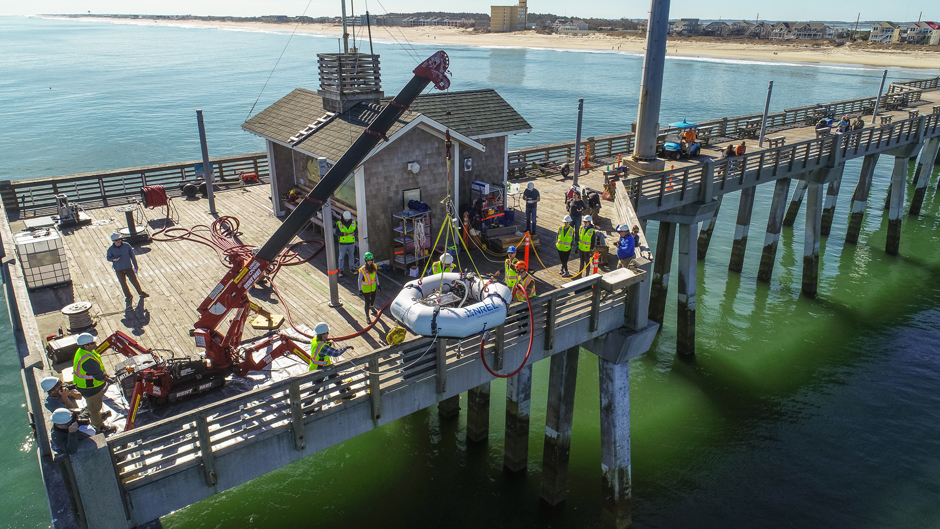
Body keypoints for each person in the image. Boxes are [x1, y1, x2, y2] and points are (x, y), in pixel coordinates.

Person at [72, 333, 117, 435]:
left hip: (87, 386)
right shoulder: (87, 360)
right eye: (92, 343)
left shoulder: (83, 352)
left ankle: (98, 416)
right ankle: (100, 427)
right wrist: (110, 381)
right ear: (86, 346)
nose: (95, 344)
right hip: (90, 388)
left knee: (94, 406)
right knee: (94, 408)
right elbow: (99, 376)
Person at [106, 233, 148, 304]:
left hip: (128, 267)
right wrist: (113, 260)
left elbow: (132, 256)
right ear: (113, 241)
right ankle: (128, 296)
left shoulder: (127, 246)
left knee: (134, 280)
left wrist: (135, 265)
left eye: (119, 239)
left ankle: (140, 292)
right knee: (123, 283)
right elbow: (108, 257)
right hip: (118, 269)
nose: (119, 241)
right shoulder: (110, 249)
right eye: (117, 240)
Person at [358, 252, 381, 317]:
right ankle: (367, 316)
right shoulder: (362, 270)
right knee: (367, 302)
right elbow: (359, 280)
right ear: (366, 261)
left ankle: (372, 306)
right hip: (365, 289)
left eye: (371, 260)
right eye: (368, 260)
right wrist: (360, 290)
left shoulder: (375, 266)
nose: (370, 261)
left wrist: (378, 285)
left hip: (373, 287)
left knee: (373, 298)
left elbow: (376, 276)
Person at [335, 211, 357, 278]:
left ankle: (351, 268)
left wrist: (354, 233)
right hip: (343, 243)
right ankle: (340, 270)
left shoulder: (353, 222)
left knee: (351, 256)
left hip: (351, 243)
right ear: (343, 217)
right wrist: (343, 234)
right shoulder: (339, 223)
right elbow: (337, 232)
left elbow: (356, 230)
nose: (347, 220)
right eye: (346, 219)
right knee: (341, 257)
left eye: (348, 219)